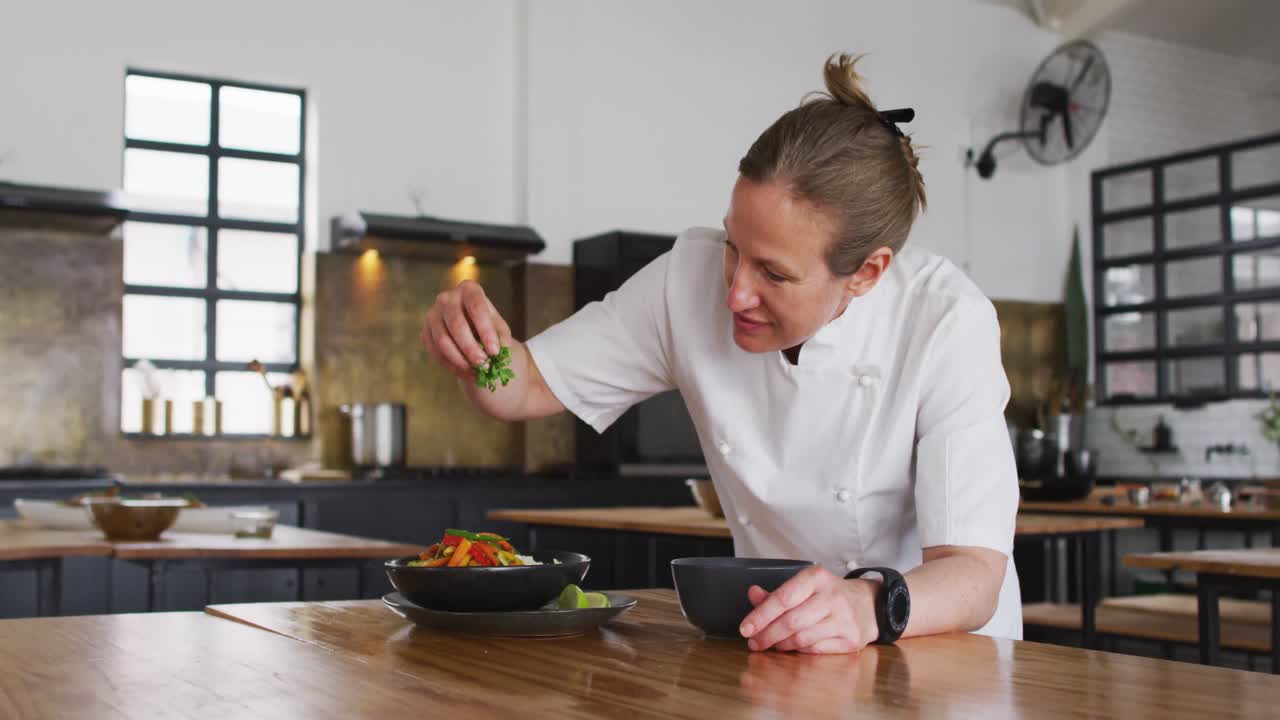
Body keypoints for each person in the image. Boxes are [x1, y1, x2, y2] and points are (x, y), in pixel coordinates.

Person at [421, 53, 1020, 653]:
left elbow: (973, 573)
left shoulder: (945, 321)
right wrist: (477, 347)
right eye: (735, 247)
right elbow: (523, 385)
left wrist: (865, 606)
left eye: (775, 274)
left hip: (934, 655)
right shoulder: (683, 283)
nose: (735, 291)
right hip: (779, 646)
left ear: (866, 272)